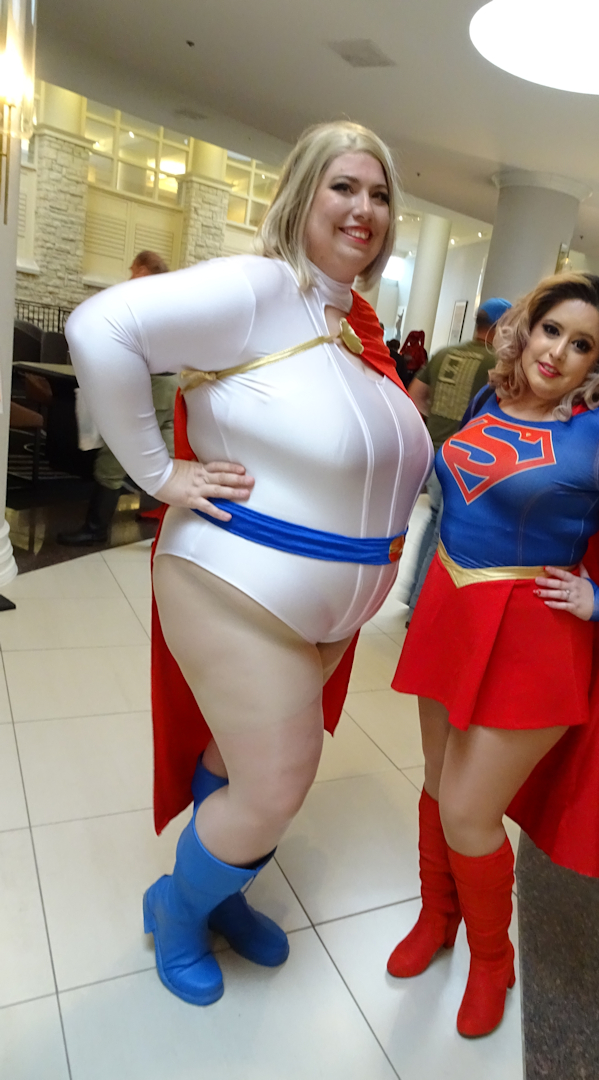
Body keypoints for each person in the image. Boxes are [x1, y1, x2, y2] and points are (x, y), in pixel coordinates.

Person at [65, 121, 433, 1007]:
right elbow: (101, 325)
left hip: (325, 605)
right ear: (302, 194)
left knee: (240, 762)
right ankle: (177, 908)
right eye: (344, 186)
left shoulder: (351, 324)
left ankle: (220, 893)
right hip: (239, 584)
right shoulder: (263, 286)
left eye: (380, 194)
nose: (365, 208)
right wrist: (160, 474)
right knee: (276, 785)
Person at [388, 272, 599, 1038]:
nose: (558, 352)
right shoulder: (491, 396)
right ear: (527, 328)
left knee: (470, 811)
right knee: (437, 785)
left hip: (532, 637)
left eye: (582, 345)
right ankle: (436, 918)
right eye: (551, 330)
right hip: (451, 612)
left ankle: (491, 960)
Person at [58, 251, 179, 546]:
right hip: (171, 384)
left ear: (142, 271)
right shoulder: (170, 300)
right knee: (169, 455)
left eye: (132, 269)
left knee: (115, 453)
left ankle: (96, 528)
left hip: (150, 385)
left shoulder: (142, 300)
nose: (129, 276)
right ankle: (174, 520)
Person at [405, 297, 512, 618]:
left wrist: (438, 419)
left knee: (432, 522)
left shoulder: (443, 354)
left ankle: (412, 594)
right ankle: (420, 608)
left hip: (433, 449)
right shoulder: (497, 365)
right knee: (444, 534)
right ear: (499, 327)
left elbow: (415, 396)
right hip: (465, 460)